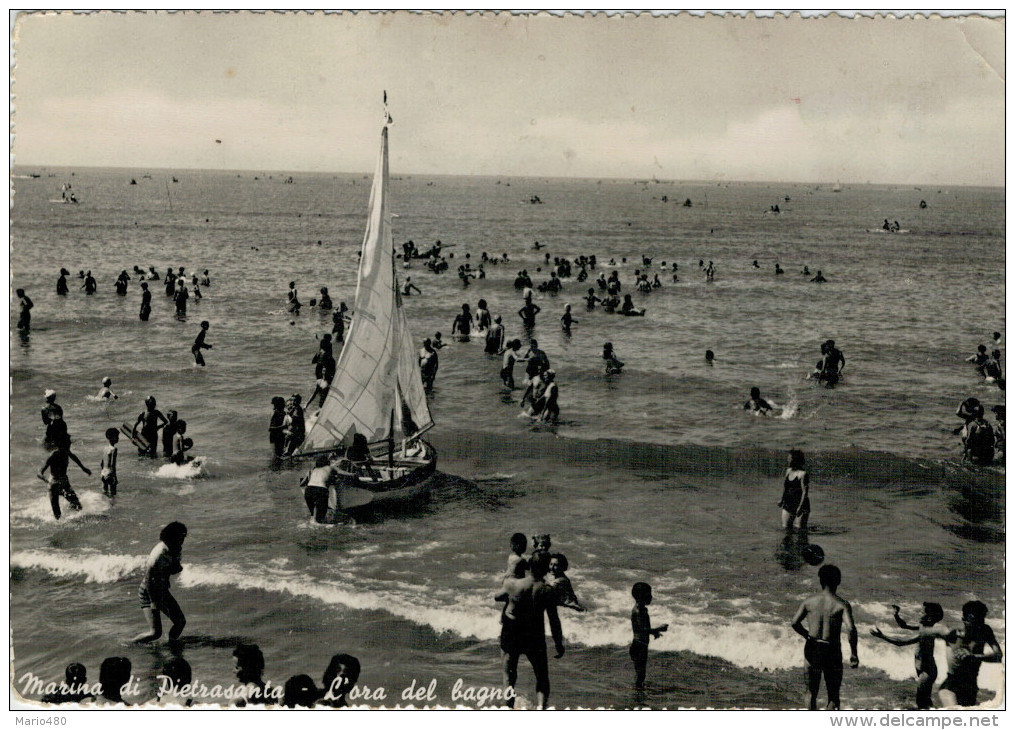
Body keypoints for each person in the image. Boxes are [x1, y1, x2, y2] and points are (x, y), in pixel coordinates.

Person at [494, 553, 565, 709]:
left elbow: (497, 597)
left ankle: (508, 709)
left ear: (529, 567)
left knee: (509, 677)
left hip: (512, 634)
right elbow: (554, 620)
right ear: (546, 569)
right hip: (534, 636)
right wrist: (558, 643)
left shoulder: (513, 585)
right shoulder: (547, 590)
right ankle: (540, 709)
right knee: (541, 677)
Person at [790, 564, 859, 710]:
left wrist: (806, 635)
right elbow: (851, 629)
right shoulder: (842, 604)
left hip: (812, 647)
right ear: (838, 581)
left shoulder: (808, 601)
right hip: (831, 649)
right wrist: (854, 653)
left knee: (810, 693)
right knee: (833, 696)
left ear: (820, 580)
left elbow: (794, 623)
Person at [869, 602, 951, 709]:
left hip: (927, 672)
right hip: (923, 668)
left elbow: (901, 643)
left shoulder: (927, 634)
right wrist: (896, 615)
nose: (919, 613)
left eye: (922, 612)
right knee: (925, 700)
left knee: (921, 702)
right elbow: (904, 625)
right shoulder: (923, 626)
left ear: (929, 618)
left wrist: (882, 636)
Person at [938, 600, 1002, 707]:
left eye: (982, 619)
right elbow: (925, 633)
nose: (979, 624)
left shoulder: (985, 631)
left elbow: (999, 656)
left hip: (971, 685)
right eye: (975, 620)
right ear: (964, 619)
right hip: (951, 685)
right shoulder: (953, 632)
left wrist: (974, 656)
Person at [132, 521, 188, 643]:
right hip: (149, 592)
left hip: (161, 590)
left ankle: (171, 645)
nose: (183, 540)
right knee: (155, 633)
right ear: (172, 537)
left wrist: (175, 568)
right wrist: (154, 602)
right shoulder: (159, 554)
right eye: (180, 537)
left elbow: (171, 568)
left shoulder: (176, 548)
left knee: (180, 622)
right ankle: (129, 644)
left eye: (184, 537)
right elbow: (148, 580)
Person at [38, 435, 90, 519]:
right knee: (57, 515)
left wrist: (84, 468)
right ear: (62, 443)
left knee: (78, 507)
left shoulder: (66, 452)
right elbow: (40, 472)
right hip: (53, 484)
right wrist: (46, 480)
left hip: (64, 482)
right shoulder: (53, 455)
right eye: (68, 442)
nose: (70, 443)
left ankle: (71, 519)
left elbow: (74, 458)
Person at [630, 582, 668, 689]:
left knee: (641, 673)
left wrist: (654, 632)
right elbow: (642, 630)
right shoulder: (637, 611)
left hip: (642, 645)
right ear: (641, 596)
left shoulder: (643, 610)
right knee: (640, 674)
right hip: (638, 646)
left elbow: (644, 628)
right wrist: (658, 629)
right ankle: (638, 694)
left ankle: (639, 690)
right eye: (649, 594)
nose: (651, 597)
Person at [779, 449, 810, 530]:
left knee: (799, 530)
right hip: (788, 503)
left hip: (801, 505)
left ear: (795, 460)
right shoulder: (788, 471)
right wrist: (782, 500)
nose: (788, 460)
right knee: (786, 528)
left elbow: (804, 492)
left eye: (790, 459)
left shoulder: (803, 474)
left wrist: (800, 507)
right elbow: (786, 487)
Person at [302, 455, 334, 524]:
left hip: (308, 490)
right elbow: (342, 473)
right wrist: (353, 474)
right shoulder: (330, 468)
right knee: (320, 520)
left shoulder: (313, 470)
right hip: (321, 490)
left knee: (313, 516)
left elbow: (303, 482)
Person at [100, 428, 119, 498]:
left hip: (103, 473)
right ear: (113, 438)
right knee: (113, 493)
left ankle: (104, 505)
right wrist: (115, 477)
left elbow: (101, 463)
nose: (118, 438)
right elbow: (112, 465)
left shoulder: (105, 448)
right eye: (117, 436)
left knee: (105, 492)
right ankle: (112, 506)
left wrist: (103, 472)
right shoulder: (114, 449)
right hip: (110, 473)